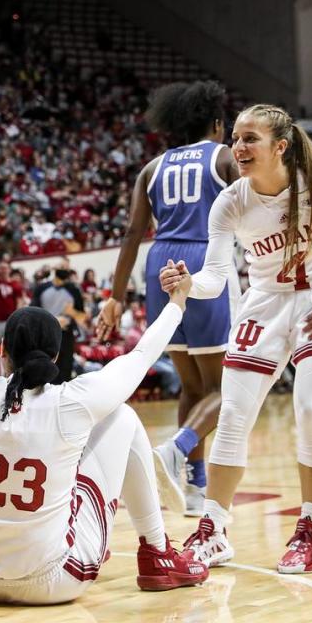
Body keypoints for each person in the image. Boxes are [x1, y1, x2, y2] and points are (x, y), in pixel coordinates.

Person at [0, 237, 208, 603]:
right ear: (55, 354)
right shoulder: (74, 401)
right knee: (123, 416)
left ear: (2, 351)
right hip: (52, 581)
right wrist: (178, 301)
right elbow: (144, 352)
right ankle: (157, 551)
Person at [159, 104, 312, 573]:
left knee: (311, 409)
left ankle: (311, 530)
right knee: (234, 414)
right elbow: (216, 276)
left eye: (250, 138)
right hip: (266, 300)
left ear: (280, 146)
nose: (238, 146)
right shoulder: (231, 201)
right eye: (236, 137)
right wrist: (188, 285)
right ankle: (212, 530)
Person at [97, 81, 239, 517]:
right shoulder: (224, 156)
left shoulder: (152, 167)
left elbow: (131, 233)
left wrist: (115, 298)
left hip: (160, 265)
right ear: (216, 123)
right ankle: (177, 448)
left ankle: (195, 488)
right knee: (224, 390)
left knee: (190, 385)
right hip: (205, 260)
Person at [30, 264, 86, 384]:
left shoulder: (74, 290)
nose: (64, 268)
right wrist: (53, 320)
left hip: (66, 335)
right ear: (54, 269)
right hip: (45, 334)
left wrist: (72, 312)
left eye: (66, 267)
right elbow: (33, 313)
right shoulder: (41, 288)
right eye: (61, 266)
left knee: (65, 370)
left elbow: (82, 317)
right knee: (46, 370)